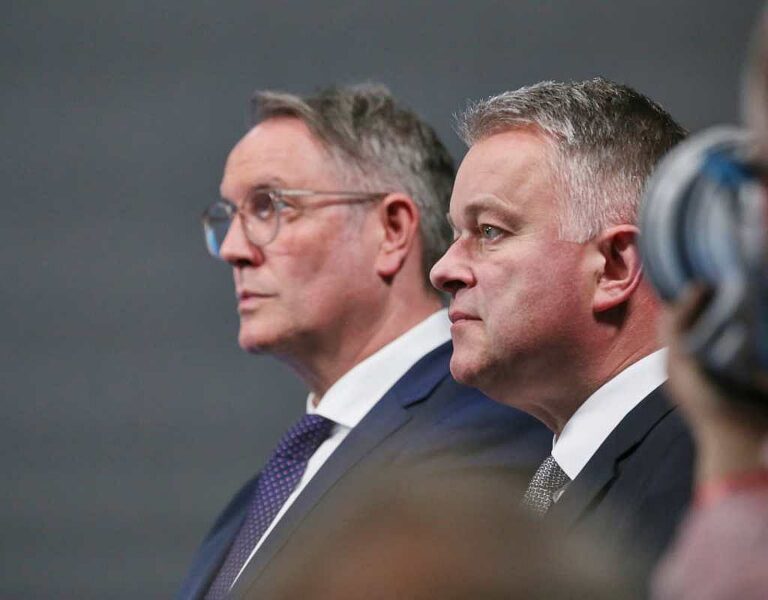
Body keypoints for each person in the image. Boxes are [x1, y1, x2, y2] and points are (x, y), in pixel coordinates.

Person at [177, 83, 550, 600]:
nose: (233, 249)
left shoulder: (488, 424)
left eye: (268, 207)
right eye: (229, 216)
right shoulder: (253, 501)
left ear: (391, 230)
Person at [430, 78, 694, 572]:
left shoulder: (696, 471)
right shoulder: (570, 474)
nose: (443, 269)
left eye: (489, 231)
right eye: (455, 234)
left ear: (614, 267)